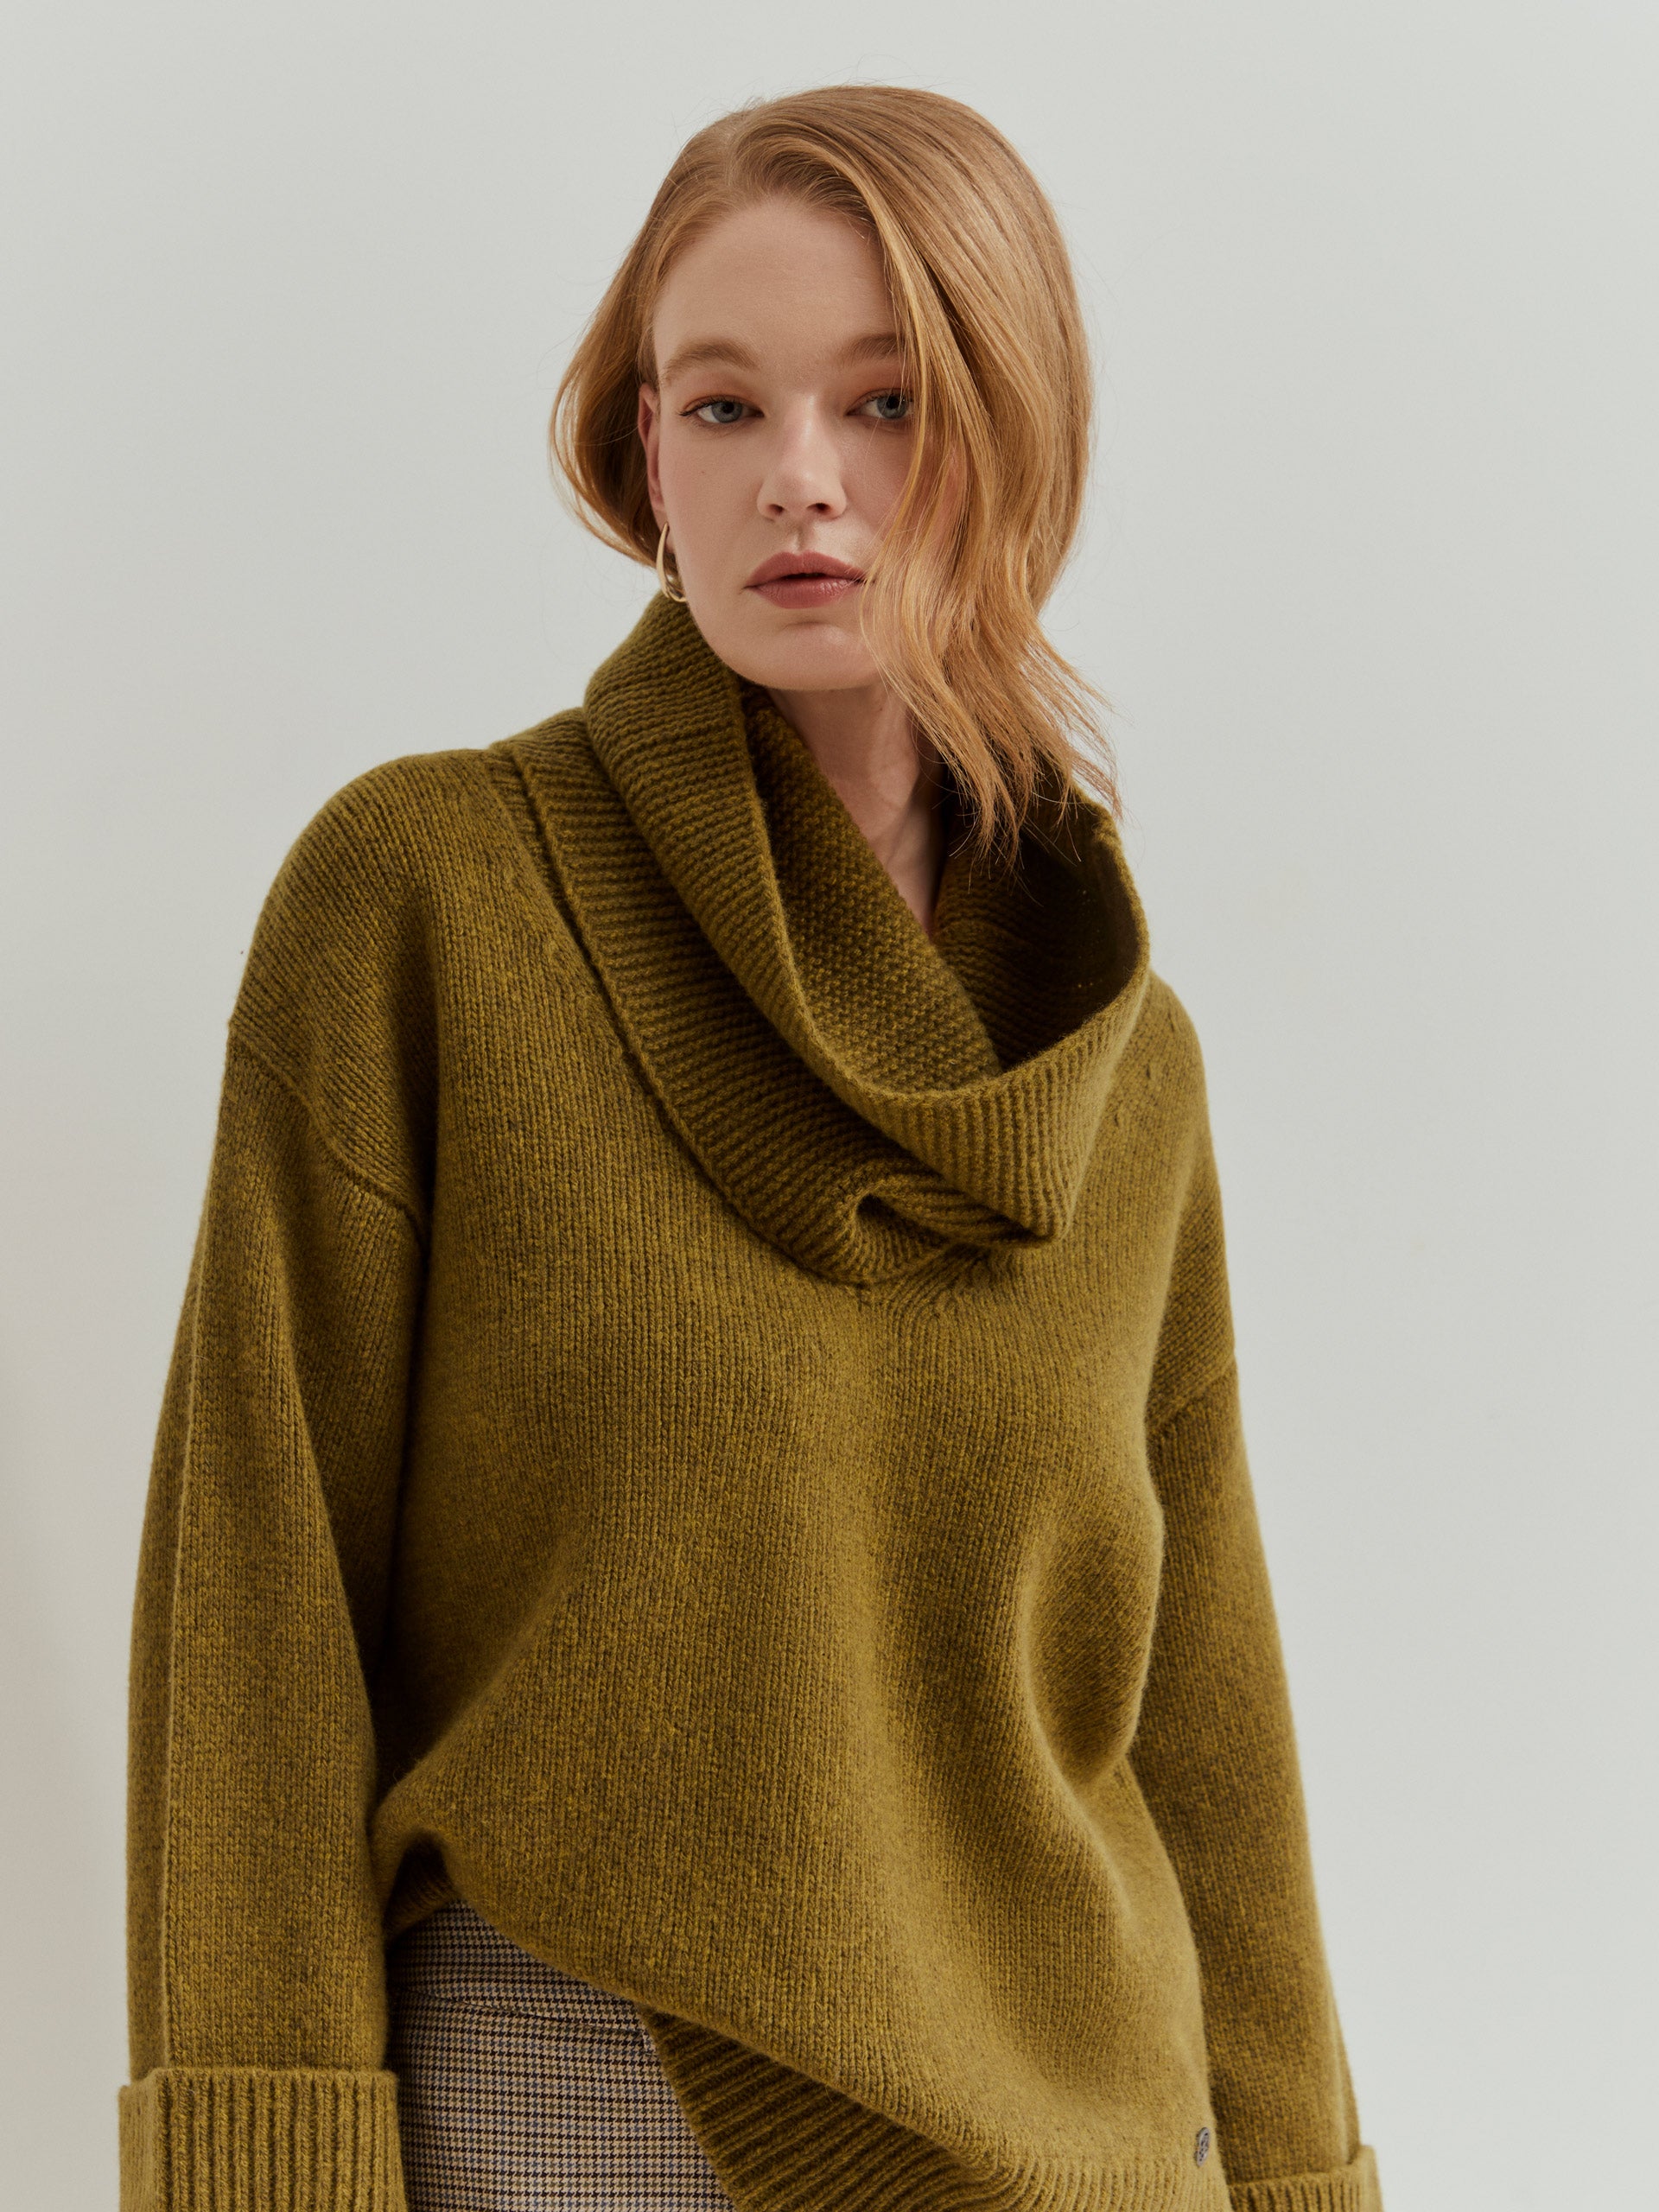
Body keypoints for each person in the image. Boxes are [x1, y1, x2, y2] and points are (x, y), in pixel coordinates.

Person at [119, 84, 1383, 2212]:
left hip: (1086, 2141)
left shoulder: (1125, 1063)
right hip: (572, 2112)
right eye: (723, 405)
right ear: (646, 452)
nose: (801, 476)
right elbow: (258, 1603)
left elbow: (1201, 1715)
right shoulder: (427, 901)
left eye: (887, 402)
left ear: (1017, 441)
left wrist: (1298, 2175)